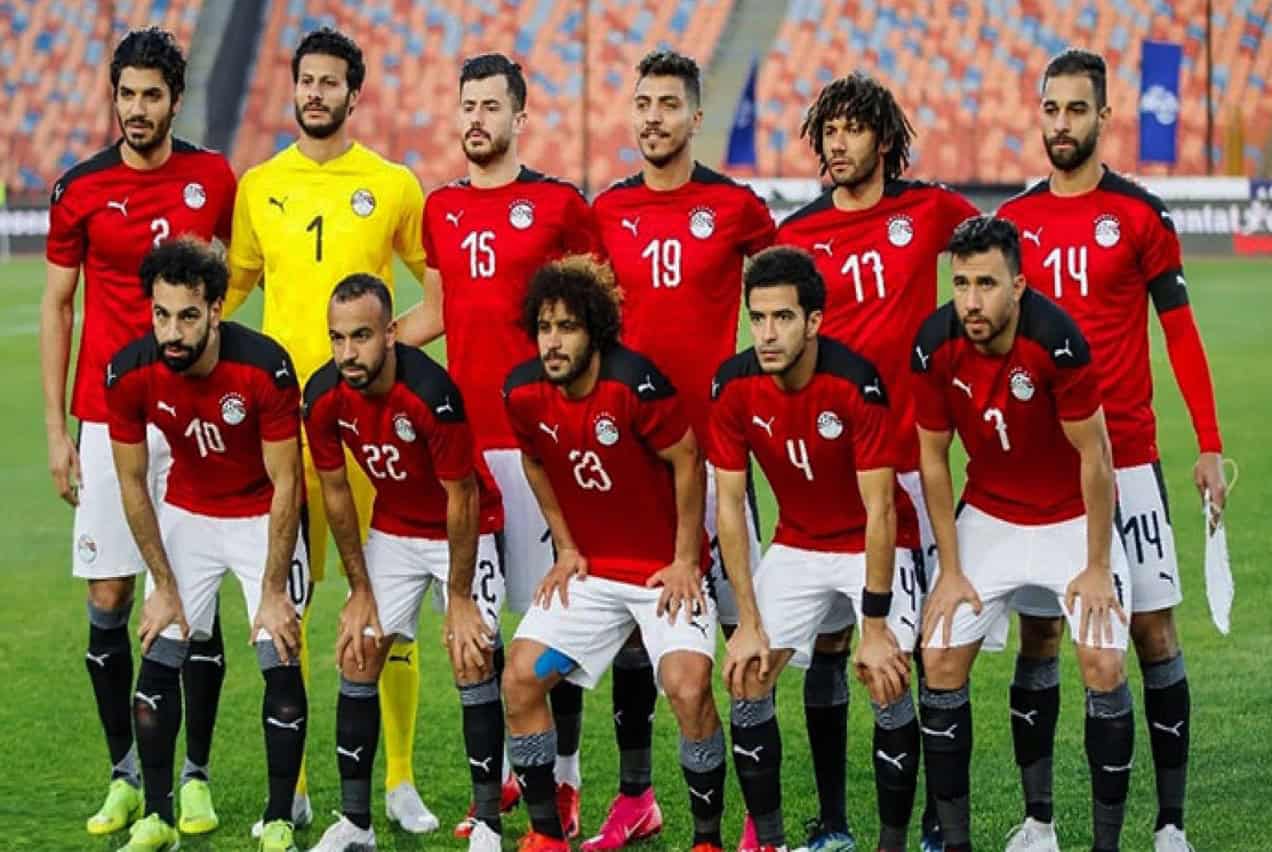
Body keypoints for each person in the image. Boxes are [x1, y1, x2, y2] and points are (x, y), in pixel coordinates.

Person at [995, 49, 1227, 852]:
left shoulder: (1140, 215)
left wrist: (1209, 445)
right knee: (1041, 635)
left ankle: (1169, 826)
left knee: (1152, 631)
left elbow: (1181, 334)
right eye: (1050, 109)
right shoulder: (1014, 222)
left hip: (1127, 462)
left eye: (1075, 109)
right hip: (1040, 470)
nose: (1061, 124)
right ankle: (1038, 822)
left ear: (1104, 115)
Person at [224, 26, 435, 833]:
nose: (314, 94)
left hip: (371, 431)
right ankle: (299, 784)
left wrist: (380, 353)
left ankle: (400, 782)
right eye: (305, 81)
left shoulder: (392, 185)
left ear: (354, 93)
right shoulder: (259, 186)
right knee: (290, 606)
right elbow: (226, 294)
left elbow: (441, 296)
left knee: (390, 605)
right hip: (285, 435)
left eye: (328, 82)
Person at [396, 52, 602, 838]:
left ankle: (568, 781)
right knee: (479, 632)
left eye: (490, 106)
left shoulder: (557, 205)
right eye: (467, 106)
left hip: (540, 447)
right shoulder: (441, 209)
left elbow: (594, 315)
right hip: (464, 453)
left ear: (519, 117)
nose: (476, 119)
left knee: (554, 627)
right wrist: (371, 346)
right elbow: (438, 312)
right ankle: (510, 777)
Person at [40, 26, 236, 839]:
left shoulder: (212, 178)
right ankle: (124, 773)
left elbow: (223, 292)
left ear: (174, 101)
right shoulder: (80, 187)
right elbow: (58, 306)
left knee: (198, 605)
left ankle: (194, 779)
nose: (137, 109)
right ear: (114, 97)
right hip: (107, 419)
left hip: (192, 420)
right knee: (110, 596)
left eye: (152, 95)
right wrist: (57, 430)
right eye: (126, 94)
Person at [589, 49, 775, 850]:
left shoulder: (735, 208)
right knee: (637, 634)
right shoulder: (606, 210)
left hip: (721, 460)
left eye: (669, 104)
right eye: (643, 103)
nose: (654, 117)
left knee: (744, 632)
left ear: (696, 117)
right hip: (633, 462)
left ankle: (759, 814)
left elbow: (786, 297)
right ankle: (637, 797)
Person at [912, 216, 1134, 852]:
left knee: (1103, 662)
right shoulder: (934, 344)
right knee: (939, 656)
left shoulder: (1056, 340)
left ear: (1018, 285)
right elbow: (933, 458)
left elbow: (1096, 456)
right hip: (990, 515)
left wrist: (1096, 565)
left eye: (986, 284)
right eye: (961, 283)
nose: (971, 301)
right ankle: (981, 839)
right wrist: (951, 570)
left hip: (1072, 518)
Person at [501, 256, 727, 852]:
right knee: (521, 677)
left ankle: (706, 839)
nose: (553, 342)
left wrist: (686, 559)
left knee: (687, 688)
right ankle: (547, 834)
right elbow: (532, 460)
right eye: (545, 327)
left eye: (568, 327)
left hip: (661, 576)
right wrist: (566, 545)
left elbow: (688, 459)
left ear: (596, 331)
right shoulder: (522, 393)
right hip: (594, 576)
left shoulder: (634, 384)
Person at [710, 246, 921, 852]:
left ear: (814, 322)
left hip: (874, 543)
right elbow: (730, 507)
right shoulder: (733, 384)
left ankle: (890, 845)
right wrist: (748, 623)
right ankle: (773, 842)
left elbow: (881, 511)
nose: (767, 333)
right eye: (757, 318)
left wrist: (873, 627)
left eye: (782, 317)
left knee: (884, 673)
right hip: (798, 542)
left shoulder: (856, 383)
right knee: (747, 674)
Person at [106, 237, 308, 852]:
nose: (173, 332)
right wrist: (165, 586)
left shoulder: (264, 367)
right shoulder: (129, 371)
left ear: (217, 309)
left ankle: (278, 819)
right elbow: (133, 483)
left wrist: (272, 589)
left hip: (260, 515)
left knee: (279, 653)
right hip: (187, 514)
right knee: (158, 653)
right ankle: (158, 817)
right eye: (161, 314)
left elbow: (287, 483)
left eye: (188, 316)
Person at [303, 274, 507, 852]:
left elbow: (462, 498)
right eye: (338, 338)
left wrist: (459, 598)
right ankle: (356, 824)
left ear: (391, 333)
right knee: (359, 650)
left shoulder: (430, 394)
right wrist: (360, 590)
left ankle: (489, 822)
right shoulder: (322, 397)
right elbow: (337, 493)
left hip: (464, 527)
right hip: (394, 527)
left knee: (471, 656)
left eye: (362, 336)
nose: (348, 352)